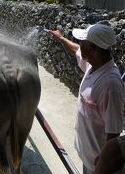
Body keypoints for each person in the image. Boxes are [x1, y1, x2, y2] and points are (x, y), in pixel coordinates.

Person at [50, 24, 125, 174]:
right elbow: (76, 49)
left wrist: (103, 162)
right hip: (87, 155)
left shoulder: (110, 85)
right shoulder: (94, 64)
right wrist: (60, 38)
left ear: (92, 50)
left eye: (83, 42)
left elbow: (114, 131)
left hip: (96, 164)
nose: (80, 45)